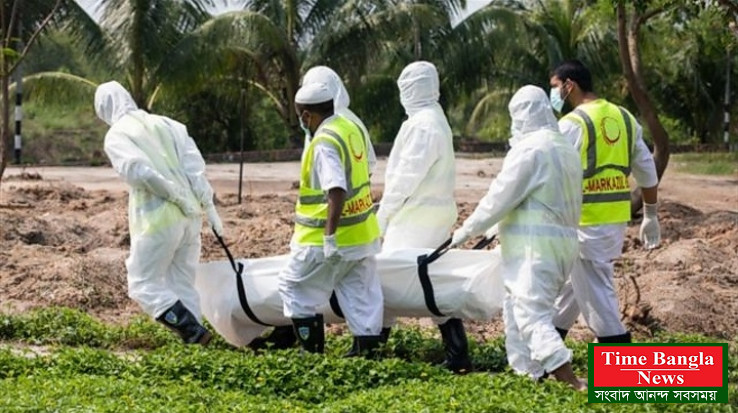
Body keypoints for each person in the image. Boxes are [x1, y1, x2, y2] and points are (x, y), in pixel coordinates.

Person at [450, 85, 586, 390]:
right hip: (559, 245)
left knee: (531, 315)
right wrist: (494, 229)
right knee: (515, 309)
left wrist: (466, 231)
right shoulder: (563, 147)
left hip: (535, 250)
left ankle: (571, 382)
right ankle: (528, 375)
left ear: (522, 116)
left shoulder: (531, 149)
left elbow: (500, 196)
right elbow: (539, 198)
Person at [250, 66, 379, 352]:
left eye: (301, 117)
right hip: (363, 235)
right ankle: (366, 354)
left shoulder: (323, 141)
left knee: (294, 287)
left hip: (325, 238)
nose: (302, 123)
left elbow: (336, 189)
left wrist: (330, 236)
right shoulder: (351, 128)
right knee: (361, 295)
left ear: (308, 115)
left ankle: (312, 356)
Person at [95, 81, 223, 345]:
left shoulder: (117, 135)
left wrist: (174, 197)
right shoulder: (170, 125)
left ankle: (191, 330)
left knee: (142, 283)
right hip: (191, 218)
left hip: (158, 221)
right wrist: (208, 208)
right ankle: (197, 344)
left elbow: (139, 172)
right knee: (183, 282)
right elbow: (195, 169)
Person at [548, 59, 661, 343]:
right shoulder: (624, 118)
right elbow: (646, 169)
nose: (553, 94)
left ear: (569, 85)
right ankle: (542, 354)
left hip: (585, 224)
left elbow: (551, 176)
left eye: (554, 87)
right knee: (572, 289)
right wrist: (651, 213)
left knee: (599, 301)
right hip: (612, 222)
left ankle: (620, 367)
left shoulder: (571, 125)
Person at [375, 61, 471, 374]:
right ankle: (457, 353)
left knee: (389, 278)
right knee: (427, 282)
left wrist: (383, 214)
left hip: (415, 216)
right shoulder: (433, 119)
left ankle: (372, 346)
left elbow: (405, 177)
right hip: (430, 214)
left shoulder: (423, 125)